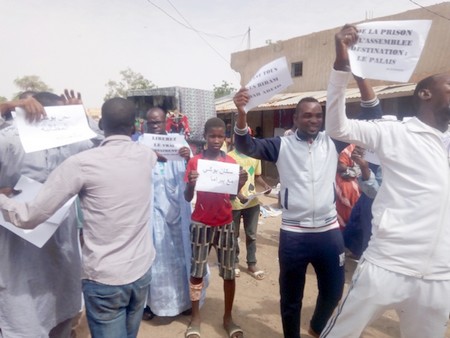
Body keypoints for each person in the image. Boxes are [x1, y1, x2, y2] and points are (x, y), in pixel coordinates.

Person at [321, 25, 450, 338]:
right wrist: (342, 66)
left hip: (439, 275)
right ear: (425, 93)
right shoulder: (395, 132)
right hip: (389, 264)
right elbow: (337, 127)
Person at [0, 97, 158, 338]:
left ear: (102, 122)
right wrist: (80, 116)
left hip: (106, 279)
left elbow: (28, 217)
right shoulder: (147, 155)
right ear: (135, 127)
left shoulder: (80, 164)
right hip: (140, 271)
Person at [233, 92, 347, 338]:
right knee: (291, 297)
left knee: (334, 291)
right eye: (306, 115)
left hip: (328, 232)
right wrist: (242, 114)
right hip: (294, 234)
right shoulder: (280, 145)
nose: (313, 120)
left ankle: (316, 328)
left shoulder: (333, 142)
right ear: (295, 118)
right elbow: (245, 145)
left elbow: (371, 116)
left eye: (318, 115)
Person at [0, 91, 92, 338]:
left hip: (48, 239)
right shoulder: (10, 139)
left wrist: (9, 105)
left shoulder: (74, 140)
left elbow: (101, 145)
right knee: (36, 305)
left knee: (43, 305)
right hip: (25, 241)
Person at [184, 117, 247, 338]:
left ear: (226, 137)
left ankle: (228, 317)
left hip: (226, 223)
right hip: (201, 222)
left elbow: (232, 196)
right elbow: (187, 197)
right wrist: (191, 184)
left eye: (221, 136)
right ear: (205, 136)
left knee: (229, 273)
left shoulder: (230, 163)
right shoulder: (195, 163)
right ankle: (195, 318)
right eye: (212, 136)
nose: (216, 140)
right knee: (197, 272)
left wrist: (240, 183)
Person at [142, 107, 201, 319]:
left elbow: (193, 171)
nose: (154, 125)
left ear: (166, 121)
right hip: (152, 211)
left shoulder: (179, 142)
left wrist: (187, 158)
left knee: (182, 256)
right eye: (150, 122)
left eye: (157, 122)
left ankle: (185, 301)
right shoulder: (142, 144)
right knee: (153, 258)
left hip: (178, 210)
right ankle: (151, 304)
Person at [227, 144, 272, 280]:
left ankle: (251, 263)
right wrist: (239, 194)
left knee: (251, 234)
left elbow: (256, 175)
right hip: (235, 202)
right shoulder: (229, 157)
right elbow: (229, 180)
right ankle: (234, 262)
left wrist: (265, 185)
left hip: (252, 202)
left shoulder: (255, 156)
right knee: (233, 234)